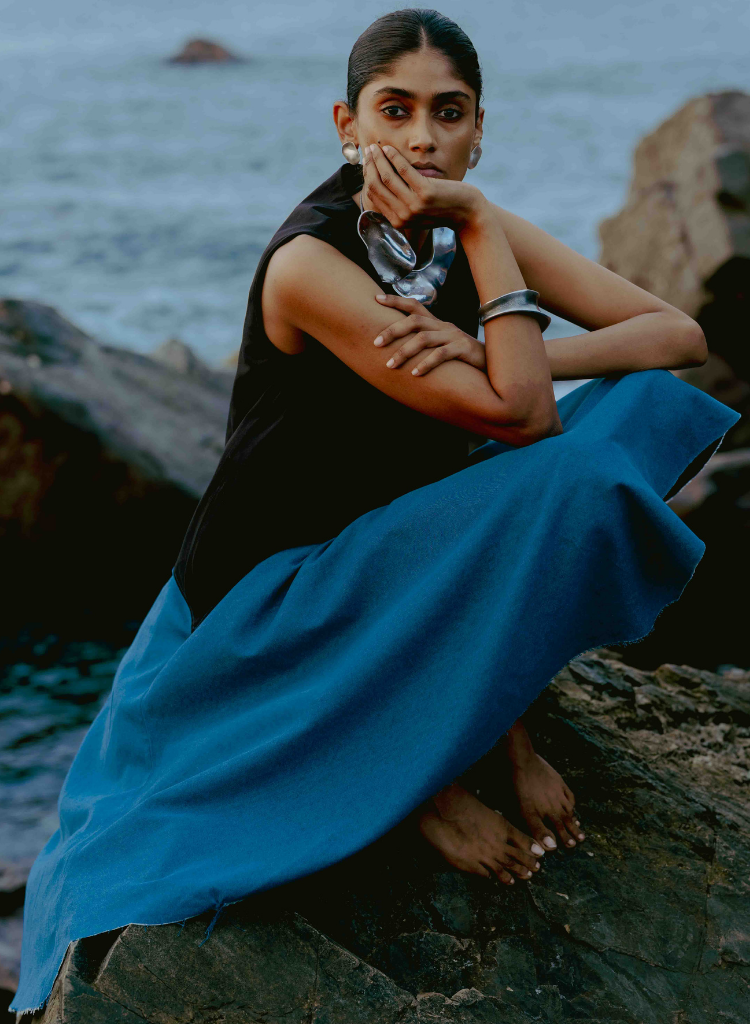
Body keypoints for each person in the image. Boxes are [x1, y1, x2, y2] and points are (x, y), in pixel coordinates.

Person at [10, 9, 740, 1017]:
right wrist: (490, 269)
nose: (423, 138)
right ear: (347, 125)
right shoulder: (312, 263)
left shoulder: (468, 222)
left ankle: (488, 728)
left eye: (450, 112)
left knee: (634, 407)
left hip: (400, 533)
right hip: (279, 584)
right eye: (395, 110)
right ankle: (423, 789)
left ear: (478, 129)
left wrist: (488, 317)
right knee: (564, 468)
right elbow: (523, 417)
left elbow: (674, 335)